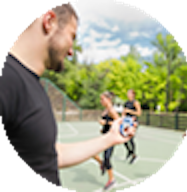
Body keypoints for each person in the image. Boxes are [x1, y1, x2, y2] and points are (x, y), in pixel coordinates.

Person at [0, 3, 136, 187]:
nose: (72, 51)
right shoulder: (7, 78)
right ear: (49, 22)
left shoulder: (32, 84)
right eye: (72, 36)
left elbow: (49, 156)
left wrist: (110, 138)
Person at [93, 91, 119, 191]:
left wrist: (106, 122)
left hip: (111, 137)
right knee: (93, 152)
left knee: (107, 157)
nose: (101, 101)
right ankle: (102, 163)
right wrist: (104, 127)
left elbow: (118, 123)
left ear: (108, 99)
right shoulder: (106, 110)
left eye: (102, 99)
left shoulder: (112, 110)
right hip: (105, 135)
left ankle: (111, 180)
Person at [122, 89, 142, 164]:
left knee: (131, 139)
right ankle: (129, 151)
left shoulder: (135, 102)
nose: (128, 94)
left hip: (133, 122)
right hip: (126, 122)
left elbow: (139, 113)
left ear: (133, 95)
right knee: (124, 138)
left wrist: (130, 111)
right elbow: (124, 112)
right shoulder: (126, 103)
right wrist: (122, 118)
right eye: (127, 93)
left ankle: (134, 155)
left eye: (129, 93)